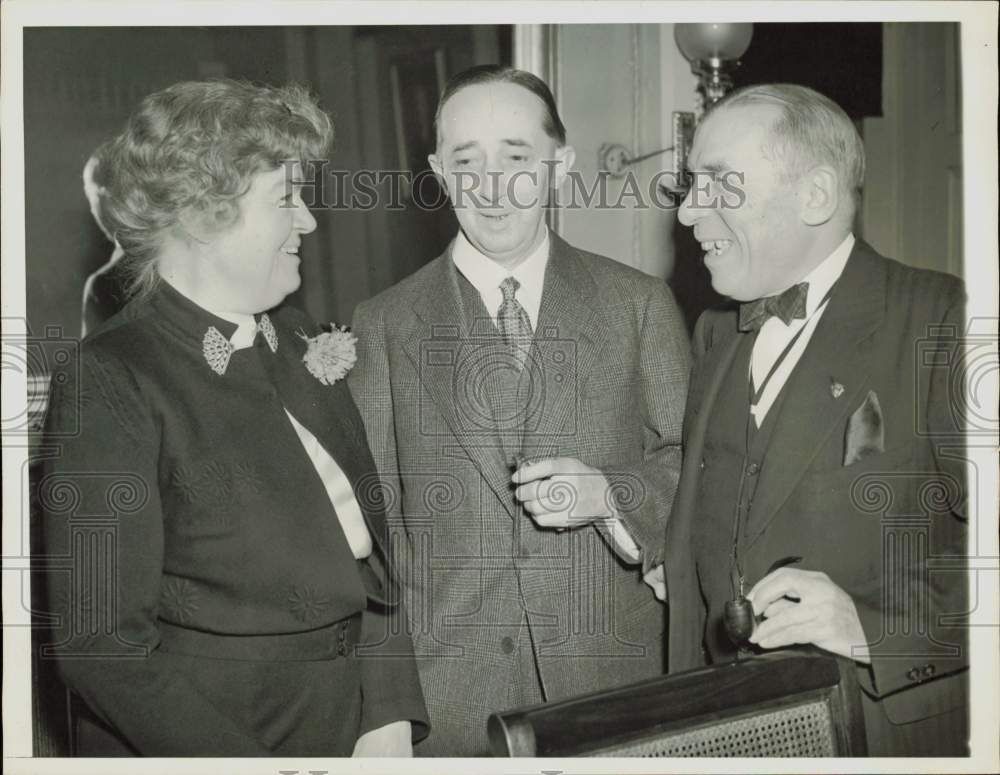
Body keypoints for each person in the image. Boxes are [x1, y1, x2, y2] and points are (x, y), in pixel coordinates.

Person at [40, 79, 428, 756]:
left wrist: (386, 718)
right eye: (286, 198)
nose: (308, 220)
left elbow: (366, 562)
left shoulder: (299, 338)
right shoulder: (111, 378)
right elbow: (103, 650)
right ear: (200, 213)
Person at [348, 65, 690, 755]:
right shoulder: (381, 324)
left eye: (516, 159)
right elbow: (369, 538)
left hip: (613, 689)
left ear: (559, 165)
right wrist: (380, 713)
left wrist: (611, 496)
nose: (493, 188)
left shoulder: (638, 304)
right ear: (439, 173)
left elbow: (697, 467)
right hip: (450, 711)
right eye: (467, 163)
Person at [660, 83, 968, 755]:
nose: (686, 213)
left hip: (884, 735)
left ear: (816, 196)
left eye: (717, 186)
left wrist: (874, 626)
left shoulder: (944, 321)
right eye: (690, 187)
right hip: (724, 730)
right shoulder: (715, 331)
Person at [80, 152, 128, 338]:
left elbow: (86, 366)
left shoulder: (103, 284)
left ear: (105, 196)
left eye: (90, 196)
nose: (92, 209)